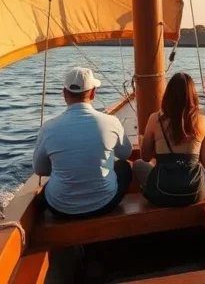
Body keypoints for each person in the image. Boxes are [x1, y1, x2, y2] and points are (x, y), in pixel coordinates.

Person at [32, 67, 133, 219]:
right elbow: (125, 153)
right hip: (105, 205)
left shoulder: (48, 128)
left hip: (61, 210)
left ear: (64, 93)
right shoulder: (112, 122)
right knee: (125, 166)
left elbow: (40, 170)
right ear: (93, 92)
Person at [132, 72, 205, 206]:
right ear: (193, 95)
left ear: (167, 94)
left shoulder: (154, 119)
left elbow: (145, 157)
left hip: (162, 191)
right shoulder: (202, 120)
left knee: (138, 163)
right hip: (194, 192)